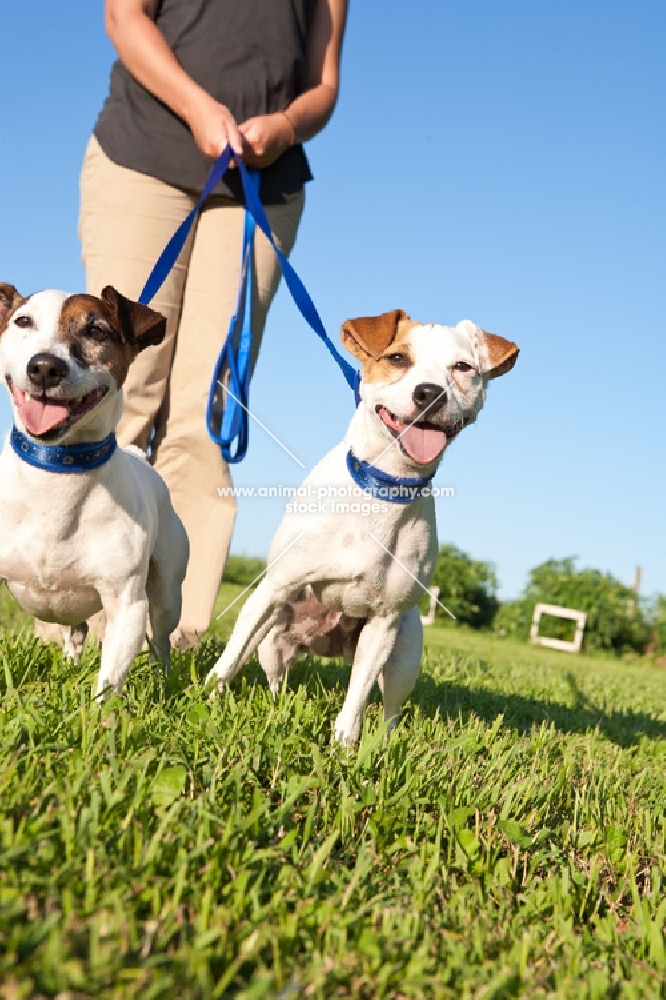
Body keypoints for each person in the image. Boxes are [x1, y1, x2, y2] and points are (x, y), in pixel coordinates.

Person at [78, 0, 348, 650]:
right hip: (145, 156)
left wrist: (284, 127)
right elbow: (124, 17)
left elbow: (325, 83)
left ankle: (179, 627)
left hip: (264, 184)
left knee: (208, 403)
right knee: (117, 387)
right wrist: (199, 107)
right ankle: (80, 615)